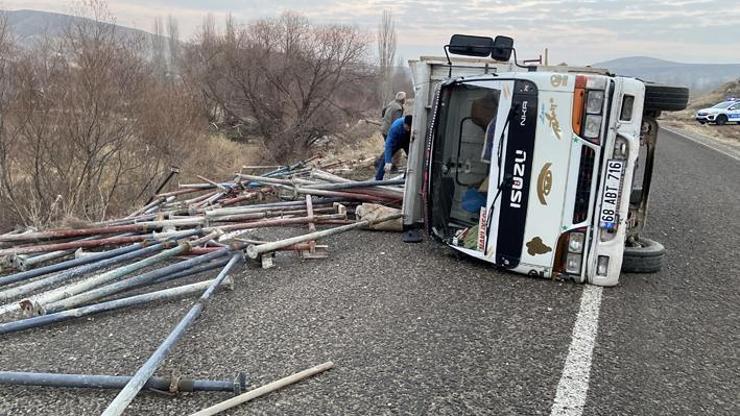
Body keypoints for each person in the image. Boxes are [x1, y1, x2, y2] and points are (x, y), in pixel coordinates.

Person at [375, 115, 412, 180]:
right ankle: (378, 179)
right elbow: (388, 144)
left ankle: (406, 178)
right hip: (396, 142)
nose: (408, 129)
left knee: (411, 159)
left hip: (407, 142)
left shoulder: (413, 126)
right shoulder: (396, 127)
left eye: (410, 128)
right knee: (385, 159)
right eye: (407, 127)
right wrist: (388, 161)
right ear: (404, 124)